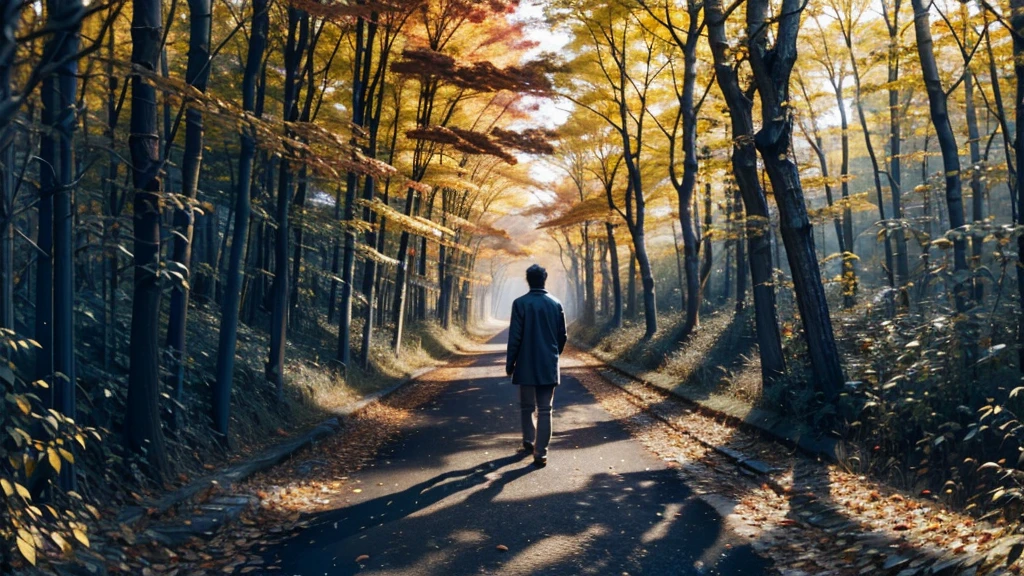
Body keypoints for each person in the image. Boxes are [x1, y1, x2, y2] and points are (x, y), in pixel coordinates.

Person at [505, 264, 568, 467]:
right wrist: (553, 354)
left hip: (525, 362)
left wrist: (510, 363)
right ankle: (541, 453)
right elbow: (562, 336)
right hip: (548, 363)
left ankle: (529, 440)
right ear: (545, 279)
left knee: (526, 406)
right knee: (545, 409)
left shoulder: (520, 303)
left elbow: (515, 337)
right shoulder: (555, 303)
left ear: (528, 280)